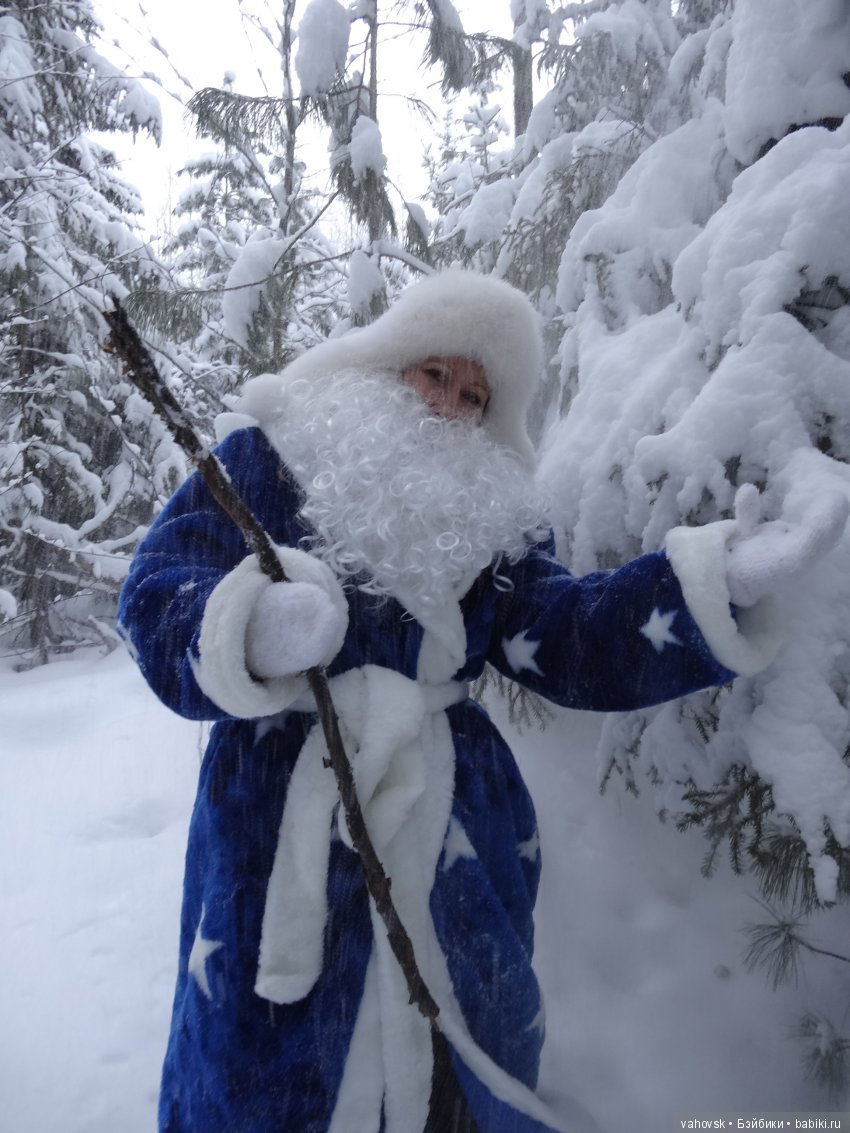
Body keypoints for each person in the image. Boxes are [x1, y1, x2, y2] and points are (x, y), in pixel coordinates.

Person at [117, 270, 847, 1133]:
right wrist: (250, 628)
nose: (452, 407)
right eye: (435, 374)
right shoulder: (264, 460)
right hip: (280, 829)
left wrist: (706, 588)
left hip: (452, 829)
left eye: (476, 395)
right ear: (386, 367)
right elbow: (154, 589)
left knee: (462, 1062)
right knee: (264, 1075)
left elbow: (570, 634)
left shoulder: (490, 521)